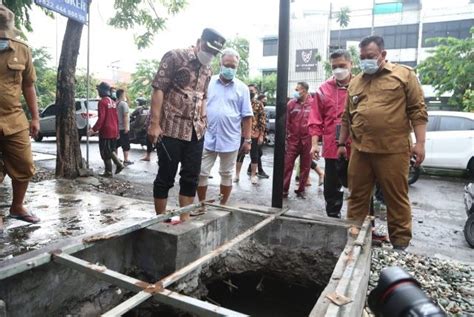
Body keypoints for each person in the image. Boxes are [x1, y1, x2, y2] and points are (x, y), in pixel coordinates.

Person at [337, 35, 427, 250]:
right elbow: (347, 117)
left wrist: (420, 143)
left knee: (395, 198)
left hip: (393, 150)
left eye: (371, 56)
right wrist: (341, 144)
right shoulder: (356, 82)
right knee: (357, 195)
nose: (366, 60)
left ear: (383, 55)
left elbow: (418, 110)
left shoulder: (404, 75)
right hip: (361, 150)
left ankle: (400, 244)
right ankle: (356, 238)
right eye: (362, 57)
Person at [147, 28, 225, 221]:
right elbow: (158, 89)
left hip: (196, 132)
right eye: (208, 50)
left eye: (214, 53)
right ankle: (161, 220)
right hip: (171, 128)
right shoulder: (174, 57)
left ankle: (185, 220)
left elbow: (204, 96)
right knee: (166, 175)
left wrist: (204, 118)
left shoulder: (208, 69)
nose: (210, 56)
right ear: (199, 42)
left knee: (191, 177)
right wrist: (154, 124)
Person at [0, 5, 40, 224]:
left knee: (24, 164)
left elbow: (28, 85)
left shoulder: (22, 49)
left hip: (14, 119)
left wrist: (35, 117)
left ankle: (17, 207)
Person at [196, 48, 253, 205]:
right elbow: (200, 103)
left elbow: (247, 116)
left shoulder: (242, 88)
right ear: (220, 63)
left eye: (233, 66)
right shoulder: (209, 82)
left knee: (227, 173)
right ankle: (202, 205)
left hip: (230, 138)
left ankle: (223, 205)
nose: (229, 68)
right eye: (227, 64)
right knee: (201, 172)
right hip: (208, 136)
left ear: (237, 67)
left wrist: (248, 140)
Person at [309, 49, 353, 218]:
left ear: (351, 64)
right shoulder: (323, 89)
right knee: (332, 187)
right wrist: (314, 145)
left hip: (357, 146)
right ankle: (333, 217)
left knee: (361, 185)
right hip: (332, 146)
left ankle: (362, 224)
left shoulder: (361, 85)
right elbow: (315, 120)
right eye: (334, 66)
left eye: (342, 65)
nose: (338, 70)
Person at [283, 82, 313, 199]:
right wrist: (287, 136)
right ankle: (284, 189)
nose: (295, 91)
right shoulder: (291, 104)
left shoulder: (313, 103)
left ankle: (301, 189)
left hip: (308, 140)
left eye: (297, 89)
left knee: (306, 166)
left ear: (304, 91)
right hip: (293, 140)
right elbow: (286, 122)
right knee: (287, 165)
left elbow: (317, 121)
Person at [89, 82, 124, 177]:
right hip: (114, 129)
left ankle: (110, 170)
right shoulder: (113, 102)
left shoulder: (102, 102)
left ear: (102, 91)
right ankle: (117, 165)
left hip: (106, 130)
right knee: (111, 149)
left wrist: (93, 129)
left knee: (105, 151)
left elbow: (102, 118)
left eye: (99, 90)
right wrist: (117, 131)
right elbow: (116, 118)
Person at [234, 84, 266, 184]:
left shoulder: (259, 104)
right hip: (242, 133)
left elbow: (262, 120)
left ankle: (253, 175)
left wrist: (261, 135)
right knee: (240, 155)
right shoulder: (242, 102)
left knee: (255, 156)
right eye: (249, 90)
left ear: (256, 92)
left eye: (252, 91)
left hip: (255, 134)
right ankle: (237, 175)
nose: (250, 92)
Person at [245, 93, 270, 179]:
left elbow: (263, 121)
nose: (265, 102)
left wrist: (263, 134)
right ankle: (258, 171)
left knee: (258, 153)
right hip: (253, 133)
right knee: (257, 153)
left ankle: (252, 169)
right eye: (264, 100)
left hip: (258, 133)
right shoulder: (254, 105)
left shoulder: (260, 107)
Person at [116, 89, 133, 165]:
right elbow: (125, 116)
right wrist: (126, 127)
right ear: (122, 95)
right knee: (125, 144)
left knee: (116, 144)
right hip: (123, 127)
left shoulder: (116, 103)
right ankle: (126, 160)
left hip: (117, 127)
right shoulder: (124, 104)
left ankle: (116, 159)